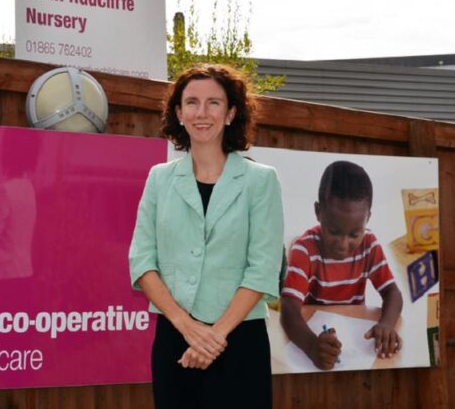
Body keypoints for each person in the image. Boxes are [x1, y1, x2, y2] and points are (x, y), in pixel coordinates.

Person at [129, 64, 284, 409]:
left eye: (214, 103)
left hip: (240, 338)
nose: (202, 113)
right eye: (192, 102)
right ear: (179, 113)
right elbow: (142, 261)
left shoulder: (261, 181)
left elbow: (262, 268)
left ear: (230, 113)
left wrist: (214, 337)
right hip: (175, 338)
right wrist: (188, 328)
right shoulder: (159, 179)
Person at [279, 160, 403, 370]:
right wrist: (311, 346)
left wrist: (386, 324)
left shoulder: (369, 246)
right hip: (314, 335)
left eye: (355, 233)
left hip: (354, 342)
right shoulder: (304, 249)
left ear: (368, 218)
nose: (343, 244)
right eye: (334, 231)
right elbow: (289, 309)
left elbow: (392, 292)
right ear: (318, 212)